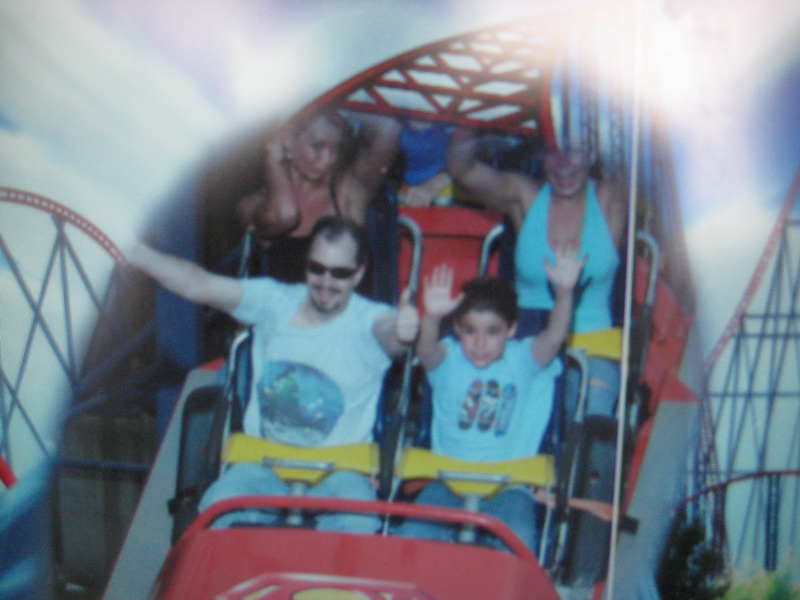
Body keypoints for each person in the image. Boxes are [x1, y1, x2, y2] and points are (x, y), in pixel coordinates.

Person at [128, 216, 419, 532]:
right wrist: (136, 252)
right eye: (317, 268)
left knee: (358, 522)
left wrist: (403, 332)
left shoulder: (371, 319)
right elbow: (200, 285)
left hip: (340, 471)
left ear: (358, 273)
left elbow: (391, 335)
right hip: (263, 464)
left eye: (339, 273)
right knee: (217, 508)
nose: (325, 282)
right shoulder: (274, 301)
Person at [397, 247, 583, 554]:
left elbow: (553, 338)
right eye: (470, 331)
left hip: (508, 486)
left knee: (519, 544)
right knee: (410, 540)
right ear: (457, 328)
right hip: (447, 481)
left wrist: (564, 294)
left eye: (492, 332)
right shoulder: (449, 360)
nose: (480, 343)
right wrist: (431, 318)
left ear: (511, 329)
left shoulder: (521, 361)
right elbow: (426, 350)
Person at [446, 130, 627, 420]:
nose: (563, 163)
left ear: (593, 155)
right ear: (541, 156)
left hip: (592, 347)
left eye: (574, 150)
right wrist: (469, 120)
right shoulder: (526, 196)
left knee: (593, 416)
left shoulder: (609, 197)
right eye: (553, 151)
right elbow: (462, 168)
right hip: (528, 347)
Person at [235, 109, 402, 282]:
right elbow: (285, 215)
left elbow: (389, 128)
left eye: (334, 149)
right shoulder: (253, 204)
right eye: (318, 146)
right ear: (287, 138)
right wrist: (274, 157)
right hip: (289, 299)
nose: (327, 159)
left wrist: (334, 103)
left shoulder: (346, 191)